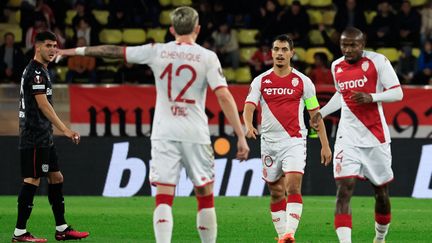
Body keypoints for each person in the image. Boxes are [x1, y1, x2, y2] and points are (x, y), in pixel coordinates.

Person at [58, 6, 250, 243]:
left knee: (164, 195)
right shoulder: (207, 57)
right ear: (198, 29)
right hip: (195, 133)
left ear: (171, 29)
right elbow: (223, 96)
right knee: (204, 194)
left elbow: (112, 51)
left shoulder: (156, 51)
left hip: (164, 133)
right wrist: (240, 135)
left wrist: (71, 51)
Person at [310, 27, 403, 243]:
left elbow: (398, 92)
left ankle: (380, 238)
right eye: (344, 45)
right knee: (344, 190)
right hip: (347, 138)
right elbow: (341, 96)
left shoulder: (378, 62)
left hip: (375, 138)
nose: (348, 49)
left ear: (363, 44)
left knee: (381, 193)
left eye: (353, 45)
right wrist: (321, 113)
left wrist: (372, 97)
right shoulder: (336, 66)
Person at [243, 34, 332, 243]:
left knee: (292, 186)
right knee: (276, 192)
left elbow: (315, 115)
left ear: (292, 53)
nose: (280, 53)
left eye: (284, 50)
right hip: (269, 143)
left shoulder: (303, 81)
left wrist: (325, 145)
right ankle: (283, 235)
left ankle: (289, 234)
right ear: (272, 53)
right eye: (276, 49)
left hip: (294, 140)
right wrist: (248, 125)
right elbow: (249, 106)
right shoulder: (261, 81)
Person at [13, 31, 90, 242]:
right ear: (37, 47)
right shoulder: (36, 73)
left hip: (43, 135)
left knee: (57, 177)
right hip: (34, 135)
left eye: (55, 45)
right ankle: (20, 232)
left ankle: (62, 228)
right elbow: (43, 105)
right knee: (32, 179)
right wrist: (65, 129)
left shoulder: (43, 71)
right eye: (48, 45)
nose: (52, 49)